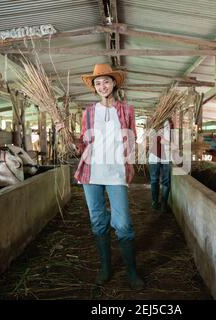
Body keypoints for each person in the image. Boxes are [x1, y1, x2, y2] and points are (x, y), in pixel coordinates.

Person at [74, 63, 144, 290]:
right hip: (91, 172)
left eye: (106, 81)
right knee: (97, 221)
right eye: (97, 83)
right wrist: (66, 135)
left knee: (122, 224)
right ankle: (105, 268)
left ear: (114, 83)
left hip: (116, 173)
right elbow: (81, 143)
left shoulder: (127, 110)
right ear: (94, 88)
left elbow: (131, 140)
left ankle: (132, 272)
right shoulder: (88, 112)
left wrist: (131, 160)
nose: (102, 86)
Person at [148, 118, 174, 213]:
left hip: (166, 158)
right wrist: (172, 144)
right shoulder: (156, 125)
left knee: (166, 181)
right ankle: (155, 202)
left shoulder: (171, 127)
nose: (168, 127)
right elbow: (160, 140)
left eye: (169, 125)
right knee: (154, 180)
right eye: (166, 125)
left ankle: (164, 204)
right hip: (154, 157)